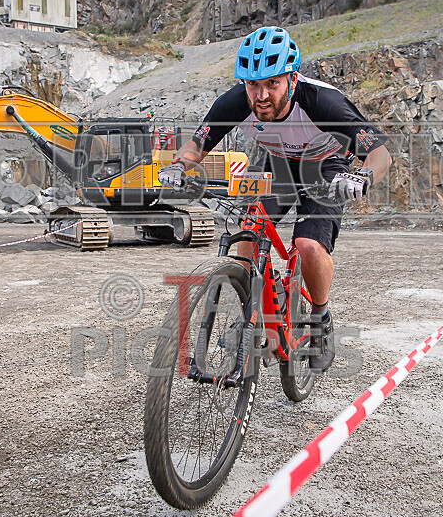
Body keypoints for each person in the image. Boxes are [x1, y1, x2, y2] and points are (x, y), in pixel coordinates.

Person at [158, 26, 391, 372]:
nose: (261, 95)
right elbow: (196, 146)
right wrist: (179, 166)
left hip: (325, 165)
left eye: (272, 83)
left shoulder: (323, 102)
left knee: (308, 244)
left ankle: (321, 318)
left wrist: (363, 176)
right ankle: (249, 312)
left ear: (292, 79)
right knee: (249, 230)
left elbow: (380, 154)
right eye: (253, 85)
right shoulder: (235, 102)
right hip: (278, 163)